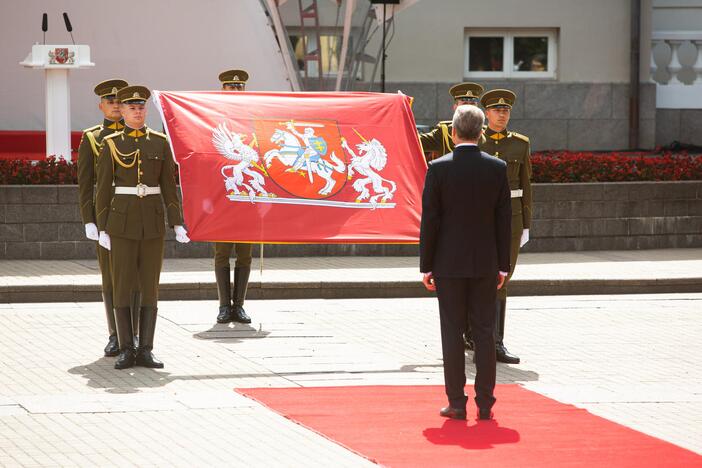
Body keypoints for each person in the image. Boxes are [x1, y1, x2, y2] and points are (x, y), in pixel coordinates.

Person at [420, 104, 511, 421]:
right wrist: (503, 266)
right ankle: (485, 403)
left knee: (452, 332)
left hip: (449, 264)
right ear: (482, 133)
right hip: (486, 264)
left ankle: (456, 402)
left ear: (454, 133)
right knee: (485, 332)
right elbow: (504, 221)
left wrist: (426, 266)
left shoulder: (439, 169)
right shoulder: (497, 168)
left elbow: (430, 220)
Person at [95, 85, 190, 369]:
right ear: (121, 111)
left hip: (151, 222)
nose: (137, 112)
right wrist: (102, 227)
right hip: (121, 223)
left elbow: (168, 188)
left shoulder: (160, 143)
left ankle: (146, 349)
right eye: (131, 108)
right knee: (123, 285)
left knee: (150, 285)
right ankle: (126, 348)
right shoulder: (111, 143)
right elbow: (102, 189)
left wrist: (177, 223)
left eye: (141, 108)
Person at [77, 78, 140, 357]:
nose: (116, 105)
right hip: (107, 217)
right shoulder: (92, 137)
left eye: (119, 101)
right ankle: (115, 334)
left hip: (136, 215)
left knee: (137, 277)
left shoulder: (140, 135)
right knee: (112, 279)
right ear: (101, 105)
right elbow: (85, 182)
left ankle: (135, 335)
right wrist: (89, 220)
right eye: (110, 101)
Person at [476, 88, 533, 365]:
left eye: (506, 110)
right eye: (497, 110)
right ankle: (476, 337)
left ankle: (495, 343)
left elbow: (526, 185)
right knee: (479, 279)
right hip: (480, 220)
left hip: (511, 220)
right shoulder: (476, 141)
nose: (502, 114)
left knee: (503, 279)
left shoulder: (520, 144)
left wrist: (526, 224)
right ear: (486, 114)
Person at [213, 69, 254, 325]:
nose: (235, 91)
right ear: (223, 91)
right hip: (222, 196)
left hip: (248, 194)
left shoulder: (252, 119)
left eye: (239, 88)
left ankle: (238, 306)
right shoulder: (213, 117)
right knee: (221, 252)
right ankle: (223, 305)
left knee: (245, 253)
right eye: (231, 87)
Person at [418, 82, 483, 161]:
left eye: (472, 104)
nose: (468, 108)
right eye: (464, 104)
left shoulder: (485, 132)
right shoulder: (443, 132)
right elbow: (415, 142)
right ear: (455, 107)